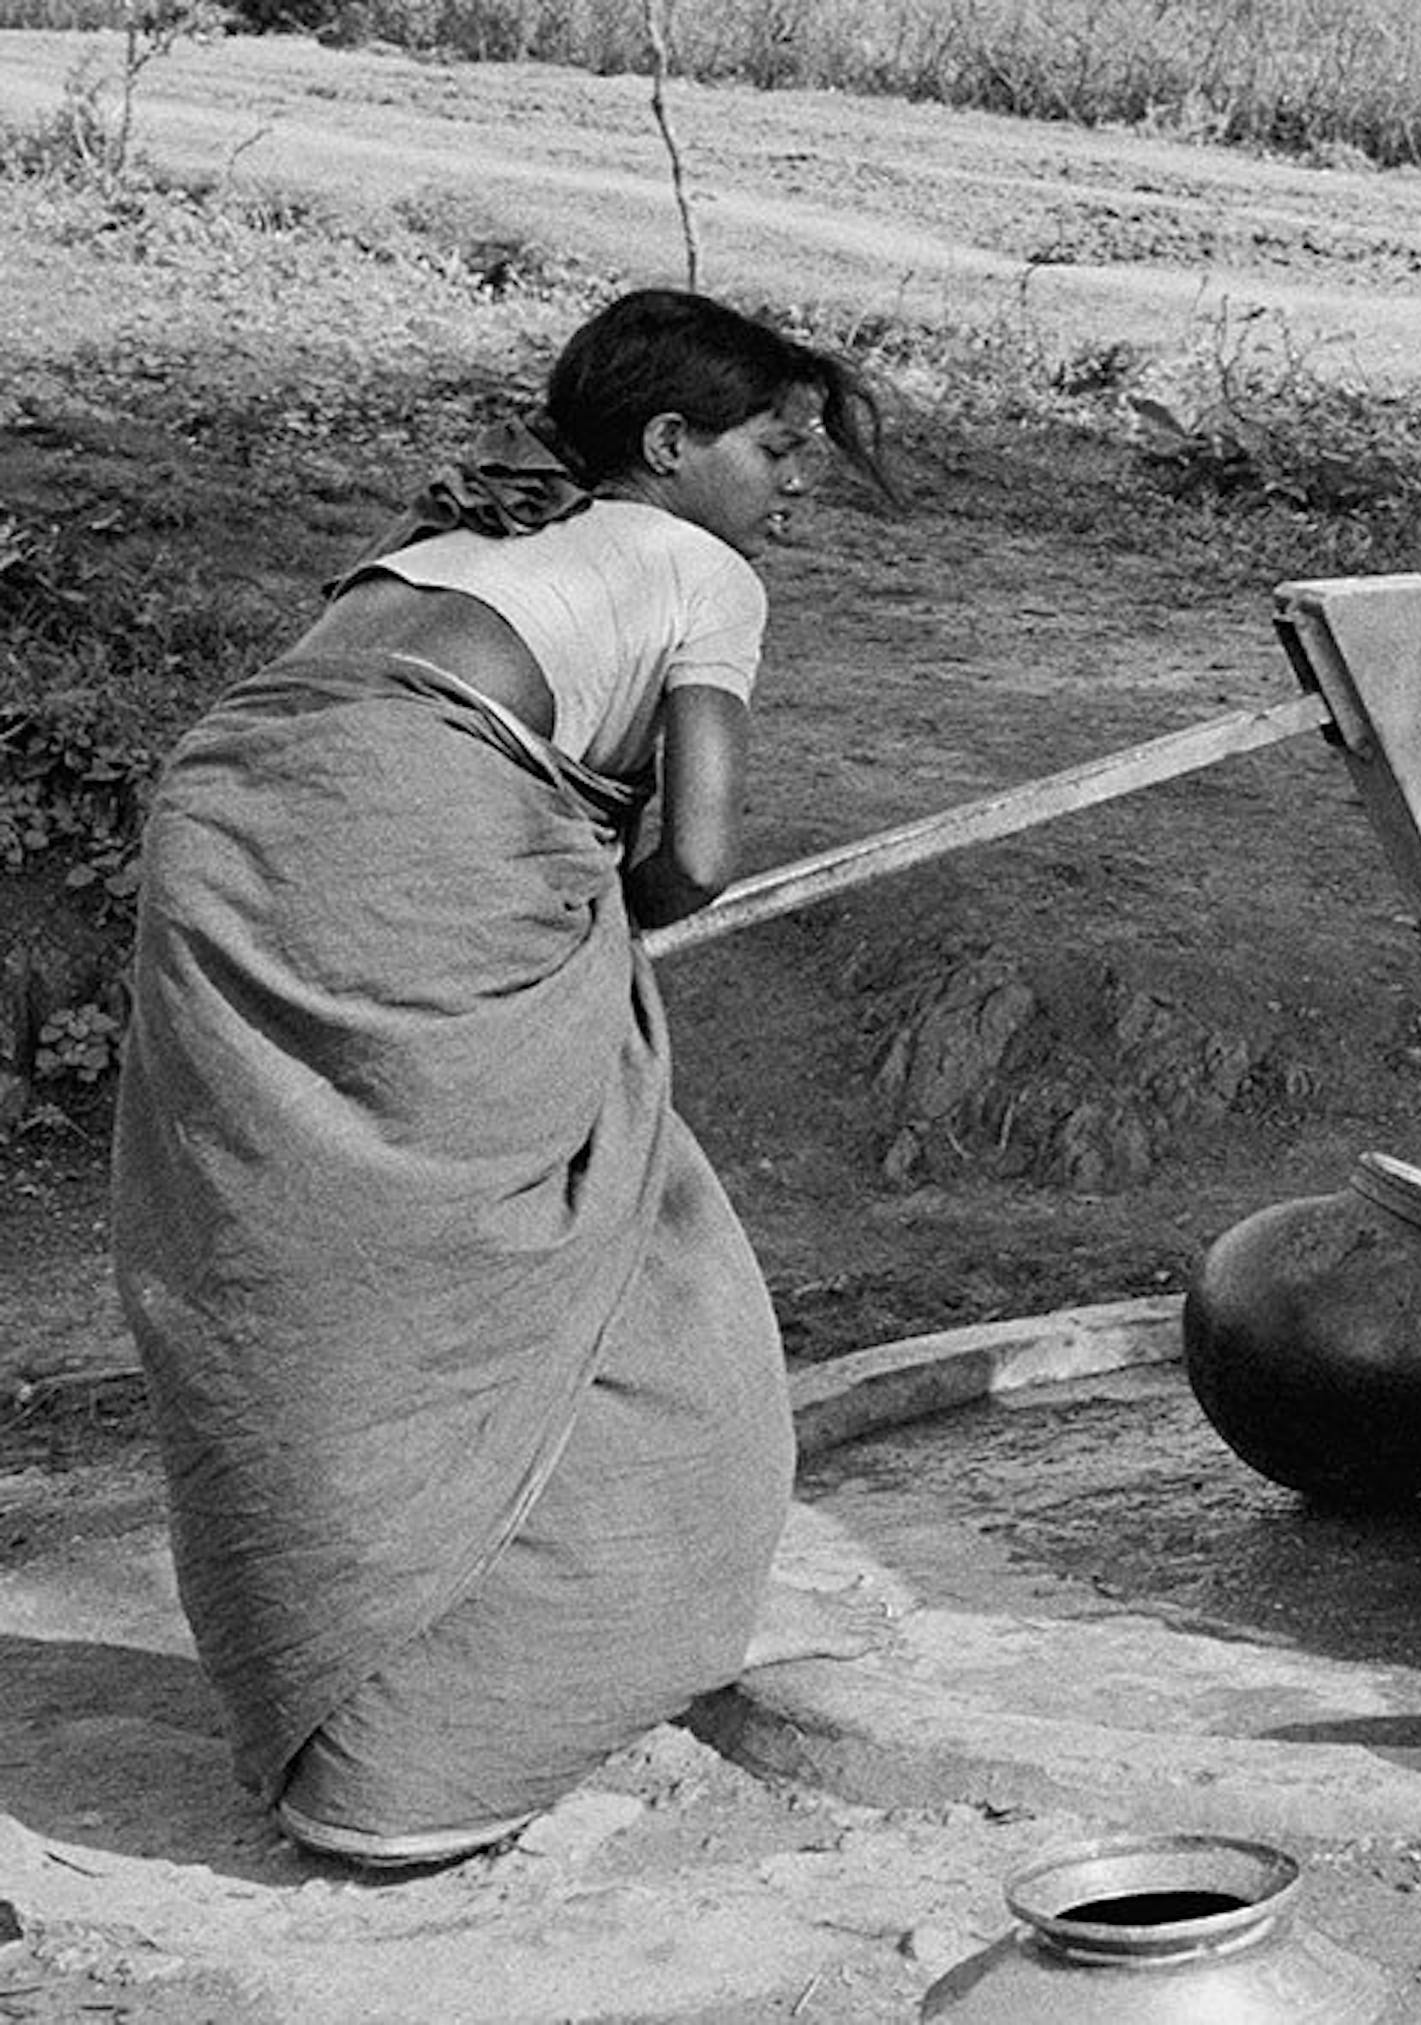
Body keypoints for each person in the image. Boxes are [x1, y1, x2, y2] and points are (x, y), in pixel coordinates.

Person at [113, 288, 894, 1865]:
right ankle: (421, 1764)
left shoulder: (450, 539)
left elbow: (337, 723)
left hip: (220, 843)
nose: (787, 485)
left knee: (313, 1262)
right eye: (773, 448)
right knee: (594, 1277)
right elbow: (696, 853)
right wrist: (595, 908)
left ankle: (344, 1698)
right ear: (672, 447)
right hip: (411, 856)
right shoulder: (698, 566)